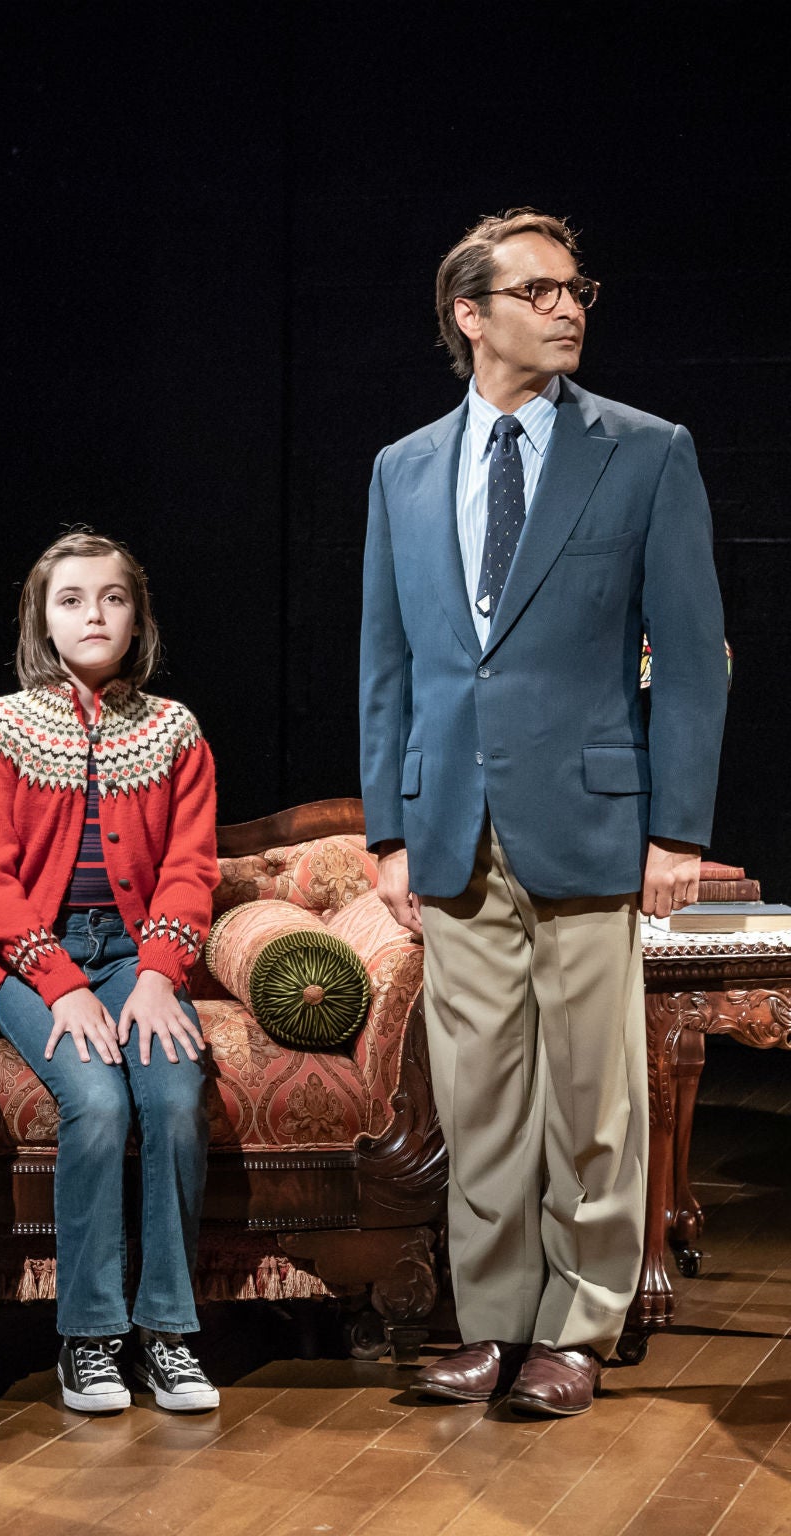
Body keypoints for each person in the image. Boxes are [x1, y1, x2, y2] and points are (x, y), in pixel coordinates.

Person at [359, 209, 726, 1417]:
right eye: (541, 290)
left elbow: (686, 652)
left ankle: (574, 1326)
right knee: (479, 1095)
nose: (568, 308)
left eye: (578, 290)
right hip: (452, 821)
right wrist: (388, 828)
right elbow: (390, 663)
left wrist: (673, 831)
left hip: (585, 819)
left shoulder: (643, 450)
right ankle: (492, 1324)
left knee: (590, 1098)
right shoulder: (403, 468)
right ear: (470, 314)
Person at [0, 530, 220, 1414]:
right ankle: (90, 1337)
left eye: (111, 597)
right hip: (36, 964)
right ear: (42, 616)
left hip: (138, 957)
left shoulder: (174, 728)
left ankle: (171, 1335)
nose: (93, 614)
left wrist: (158, 973)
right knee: (99, 1101)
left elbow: (190, 869)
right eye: (70, 599)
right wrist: (62, 983)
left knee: (176, 1097)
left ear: (136, 615)